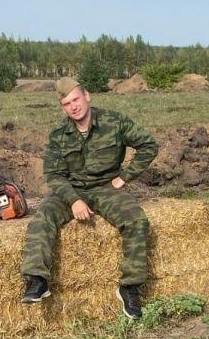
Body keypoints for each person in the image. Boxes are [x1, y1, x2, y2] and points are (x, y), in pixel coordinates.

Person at [20, 77, 159, 321]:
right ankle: (37, 280)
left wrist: (124, 177)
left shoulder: (114, 122)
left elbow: (148, 145)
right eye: (66, 104)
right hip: (69, 190)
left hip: (106, 188)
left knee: (136, 220)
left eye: (76, 99)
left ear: (87, 96)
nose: (73, 106)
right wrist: (74, 200)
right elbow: (53, 175)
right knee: (42, 218)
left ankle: (130, 288)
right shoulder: (58, 135)